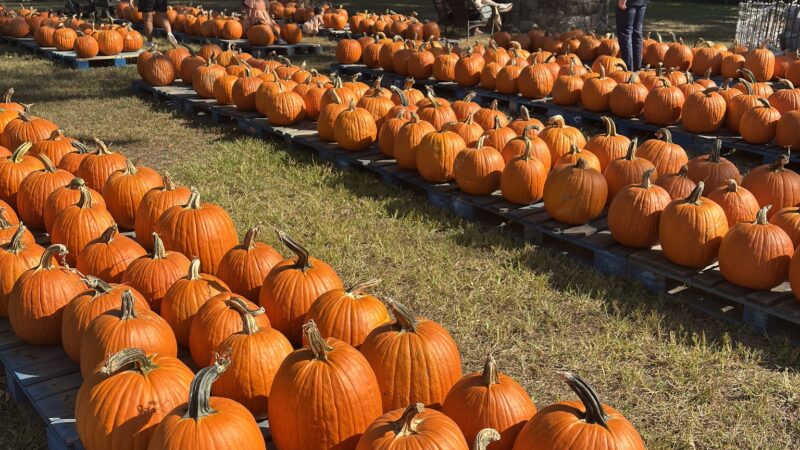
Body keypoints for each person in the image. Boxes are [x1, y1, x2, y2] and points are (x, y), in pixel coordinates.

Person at [616, 0, 648, 70]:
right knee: (637, 33)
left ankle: (628, 69)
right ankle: (637, 68)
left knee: (626, 33)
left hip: (629, 3)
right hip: (642, 2)